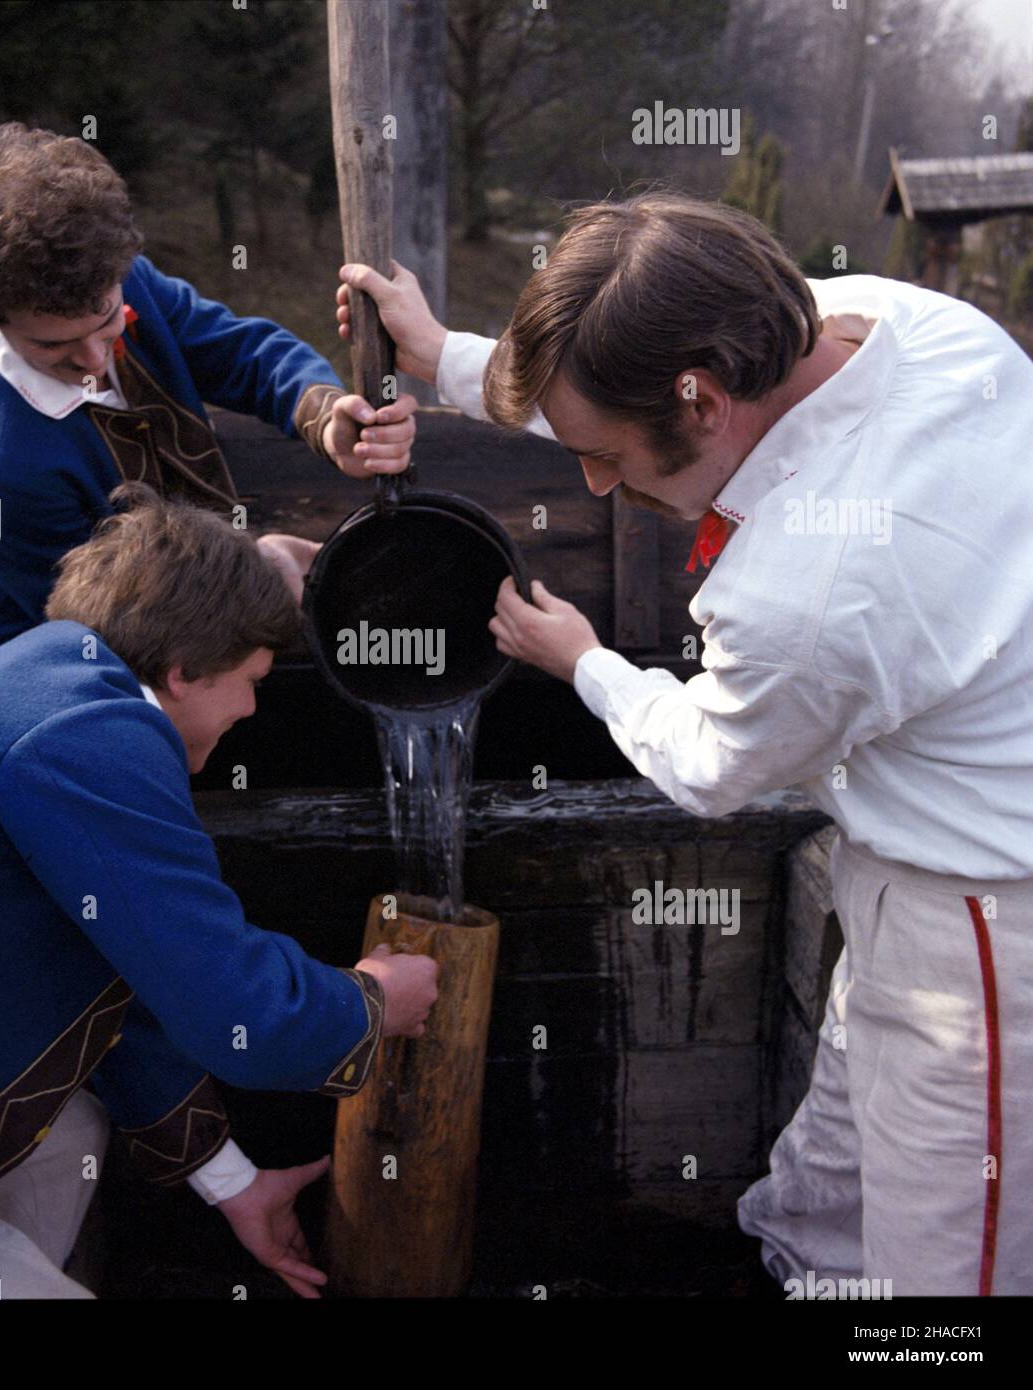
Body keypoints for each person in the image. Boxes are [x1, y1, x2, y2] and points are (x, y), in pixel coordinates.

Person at [338, 191, 1033, 1296]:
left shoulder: (810, 599)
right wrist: (447, 361)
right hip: (923, 869)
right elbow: (619, 387)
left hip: (988, 936)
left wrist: (586, 663)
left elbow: (710, 767)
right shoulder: (888, 322)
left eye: (607, 457)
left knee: (952, 1262)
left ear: (700, 400)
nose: (595, 483)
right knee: (833, 1190)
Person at [0, 488, 439, 1300]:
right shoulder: (91, 734)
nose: (254, 707)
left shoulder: (51, 681)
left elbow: (117, 976)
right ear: (182, 671)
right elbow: (239, 1011)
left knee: (67, 1125)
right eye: (251, 679)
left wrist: (233, 1184)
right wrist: (367, 1004)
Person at [0, 122, 417, 675]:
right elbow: (106, 621)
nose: (96, 361)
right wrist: (254, 570)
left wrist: (324, 414)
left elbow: (236, 352)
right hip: (9, 678)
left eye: (106, 324)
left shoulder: (120, 278)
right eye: (54, 346)